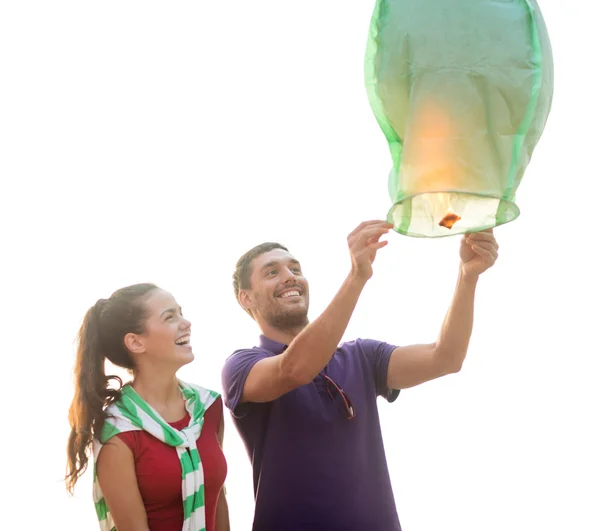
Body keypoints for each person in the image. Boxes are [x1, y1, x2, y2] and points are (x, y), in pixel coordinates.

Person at [222, 220, 499, 531]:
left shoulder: (362, 357)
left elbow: (445, 358)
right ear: (246, 298)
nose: (290, 277)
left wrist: (468, 275)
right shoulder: (242, 365)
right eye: (272, 272)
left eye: (295, 269)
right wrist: (357, 276)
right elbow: (294, 369)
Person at [66, 283, 230, 531]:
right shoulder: (117, 432)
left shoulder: (208, 407)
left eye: (181, 313)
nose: (186, 323)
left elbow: (217, 501)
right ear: (135, 342)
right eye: (170, 317)